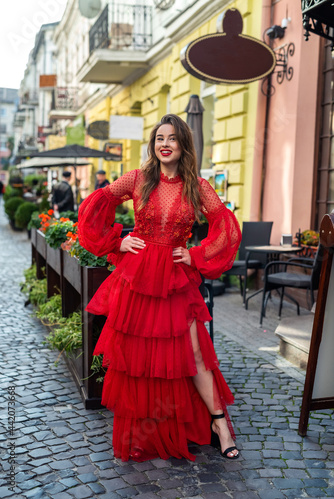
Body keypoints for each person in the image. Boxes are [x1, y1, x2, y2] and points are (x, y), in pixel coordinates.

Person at [78, 114, 242, 462]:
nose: (165, 144)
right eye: (159, 139)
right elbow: (96, 206)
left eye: (172, 138)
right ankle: (147, 432)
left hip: (174, 279)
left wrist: (196, 255)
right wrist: (116, 242)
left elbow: (226, 226)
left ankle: (219, 425)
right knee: (140, 359)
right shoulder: (138, 179)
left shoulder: (195, 185)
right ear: (154, 146)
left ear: (183, 144)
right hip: (137, 278)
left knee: (195, 355)